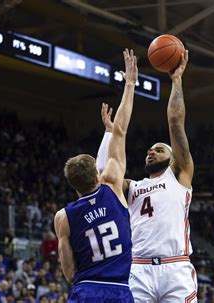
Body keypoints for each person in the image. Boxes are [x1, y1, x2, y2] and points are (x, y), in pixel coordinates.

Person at [97, 50, 197, 302]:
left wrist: (176, 81)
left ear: (173, 158)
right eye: (150, 149)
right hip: (139, 268)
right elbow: (104, 176)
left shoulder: (179, 175)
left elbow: (175, 122)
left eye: (159, 149)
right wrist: (109, 134)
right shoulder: (133, 187)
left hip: (176, 268)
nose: (151, 151)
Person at [53, 49, 137, 302]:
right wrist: (130, 84)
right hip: (120, 289)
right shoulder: (111, 185)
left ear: (72, 184)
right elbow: (121, 131)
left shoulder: (63, 217)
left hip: (87, 288)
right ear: (97, 175)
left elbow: (68, 272)